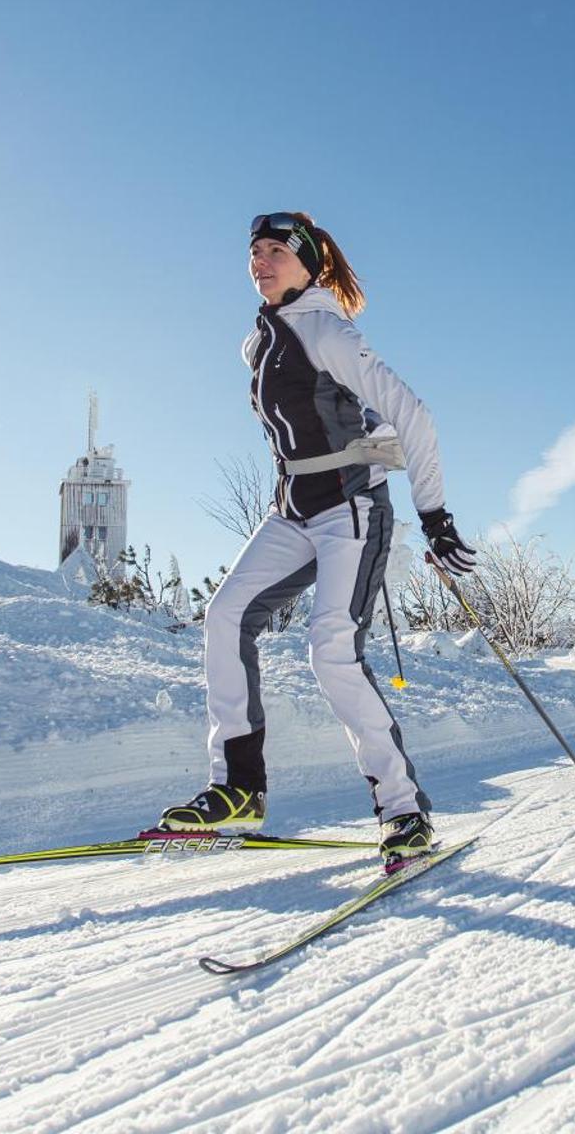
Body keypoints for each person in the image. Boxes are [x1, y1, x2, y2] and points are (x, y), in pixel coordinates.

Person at [159, 211, 476, 865]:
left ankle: (403, 811)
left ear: (307, 264)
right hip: (292, 510)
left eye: (276, 251)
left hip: (350, 509)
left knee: (330, 652)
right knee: (225, 616)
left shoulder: (327, 330)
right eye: (255, 251)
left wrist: (435, 515)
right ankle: (238, 788)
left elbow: (412, 414)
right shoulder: (258, 343)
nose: (260, 261)